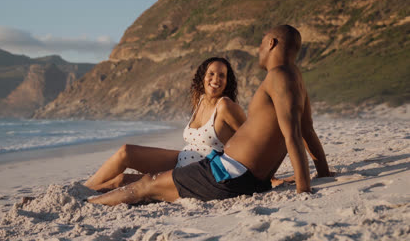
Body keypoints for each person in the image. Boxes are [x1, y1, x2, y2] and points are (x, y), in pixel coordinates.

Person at [87, 25, 332, 206]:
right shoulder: (295, 78)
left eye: (261, 43)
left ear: (271, 44)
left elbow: (293, 135)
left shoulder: (278, 76)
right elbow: (308, 131)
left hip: (227, 173)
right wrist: (322, 173)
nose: (258, 49)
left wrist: (303, 190)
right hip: (235, 174)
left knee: (147, 184)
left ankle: (90, 205)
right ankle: (95, 195)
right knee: (149, 184)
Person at [83, 57, 246, 192]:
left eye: (222, 76)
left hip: (196, 175)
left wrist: (265, 177)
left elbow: (253, 140)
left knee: (120, 181)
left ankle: (84, 194)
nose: (216, 79)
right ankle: (84, 188)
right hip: (180, 160)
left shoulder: (226, 106)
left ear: (227, 81)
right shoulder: (201, 100)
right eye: (211, 73)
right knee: (126, 152)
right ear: (203, 77)